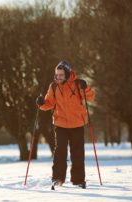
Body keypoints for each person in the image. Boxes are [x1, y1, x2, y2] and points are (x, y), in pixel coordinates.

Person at [36, 60, 95, 189]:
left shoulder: (78, 84)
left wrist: (86, 88)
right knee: (60, 152)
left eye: (61, 75)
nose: (58, 77)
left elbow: (90, 97)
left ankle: (78, 180)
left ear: (67, 74)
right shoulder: (54, 86)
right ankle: (57, 178)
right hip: (60, 124)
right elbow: (49, 103)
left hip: (77, 124)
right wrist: (41, 103)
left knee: (77, 153)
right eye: (57, 75)